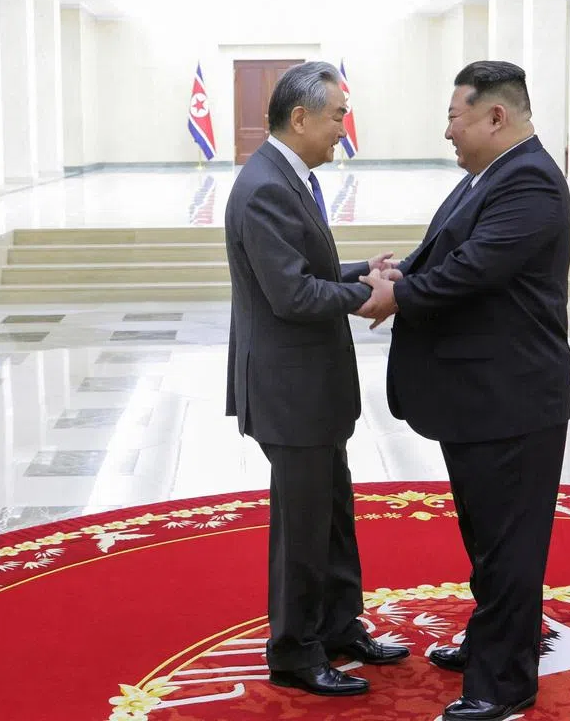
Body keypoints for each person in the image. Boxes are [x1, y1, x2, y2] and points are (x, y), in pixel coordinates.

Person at [360, 61, 570, 721]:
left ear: (495, 117)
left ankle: (503, 684)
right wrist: (400, 270)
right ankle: (496, 638)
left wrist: (397, 296)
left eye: (455, 116)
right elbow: (448, 251)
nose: (448, 130)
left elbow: (478, 269)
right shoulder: (492, 177)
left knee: (510, 543)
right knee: (490, 539)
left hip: (511, 396)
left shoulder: (530, 180)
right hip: (481, 395)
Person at [223, 61, 409, 698]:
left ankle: (337, 626)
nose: (342, 129)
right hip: (289, 391)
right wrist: (366, 293)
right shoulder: (267, 185)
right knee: (301, 528)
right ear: (299, 118)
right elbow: (293, 295)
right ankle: (295, 652)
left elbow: (306, 263)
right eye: (336, 116)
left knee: (331, 513)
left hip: (311, 390)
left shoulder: (287, 176)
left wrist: (363, 267)